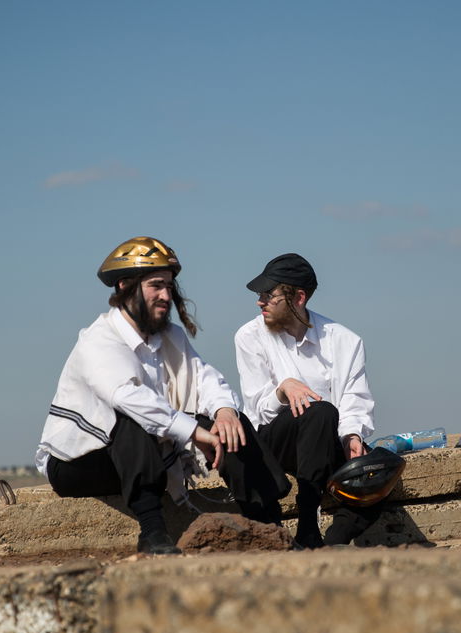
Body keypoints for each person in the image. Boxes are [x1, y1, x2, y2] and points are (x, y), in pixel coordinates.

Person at [36, 236, 290, 555]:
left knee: (229, 422)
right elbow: (127, 397)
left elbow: (204, 377)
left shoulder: (170, 337)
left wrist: (224, 411)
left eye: (169, 287)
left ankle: (267, 522)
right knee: (131, 420)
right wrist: (193, 432)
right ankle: (153, 533)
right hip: (79, 463)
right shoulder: (99, 339)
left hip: (144, 457)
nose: (166, 295)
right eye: (156, 286)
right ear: (125, 287)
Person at [234, 253, 375, 549]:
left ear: (298, 297)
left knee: (375, 469)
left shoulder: (345, 340)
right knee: (320, 411)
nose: (260, 301)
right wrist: (282, 389)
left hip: (326, 442)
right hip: (275, 442)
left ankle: (332, 542)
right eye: (260, 294)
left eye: (269, 295)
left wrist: (352, 435)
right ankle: (308, 523)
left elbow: (354, 399)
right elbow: (258, 410)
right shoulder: (249, 336)